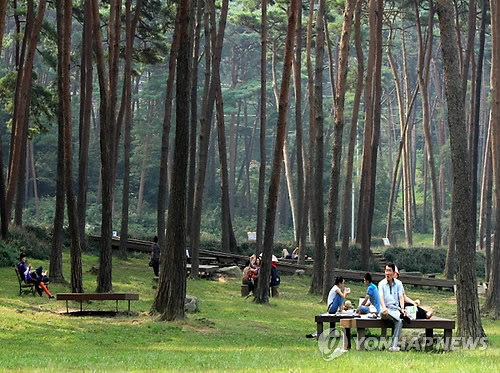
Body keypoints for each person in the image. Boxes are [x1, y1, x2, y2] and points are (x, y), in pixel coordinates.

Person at [378, 262, 405, 351]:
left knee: (399, 321)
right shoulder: (381, 284)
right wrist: (384, 307)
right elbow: (381, 297)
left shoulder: (399, 284)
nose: (387, 273)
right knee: (389, 314)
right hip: (385, 310)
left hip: (396, 310)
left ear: (394, 273)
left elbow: (401, 297)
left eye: (389, 271)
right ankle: (398, 316)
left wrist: (402, 308)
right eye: (386, 271)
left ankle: (393, 345)